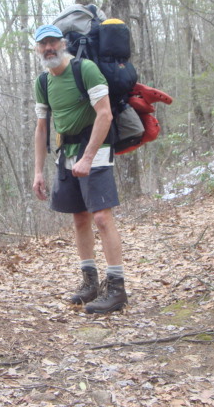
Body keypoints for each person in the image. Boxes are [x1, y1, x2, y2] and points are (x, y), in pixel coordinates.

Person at [31, 24, 128, 314]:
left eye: (53, 42)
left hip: (95, 147)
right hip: (66, 152)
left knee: (100, 216)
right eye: (43, 44)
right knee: (80, 219)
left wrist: (87, 157)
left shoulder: (84, 69)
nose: (48, 47)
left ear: (62, 43)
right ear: (37, 49)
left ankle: (117, 288)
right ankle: (90, 283)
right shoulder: (43, 81)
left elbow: (105, 114)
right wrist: (38, 171)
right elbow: (41, 128)